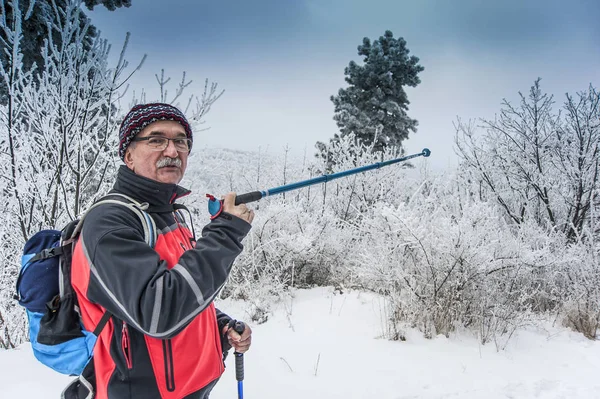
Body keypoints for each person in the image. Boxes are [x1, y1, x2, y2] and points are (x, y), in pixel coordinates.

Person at [66, 103, 254, 399]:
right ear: (128, 155)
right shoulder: (110, 224)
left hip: (194, 387)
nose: (172, 151)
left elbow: (180, 286)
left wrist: (219, 326)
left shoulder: (169, 214)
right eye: (156, 139)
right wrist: (226, 234)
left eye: (181, 141)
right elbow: (158, 312)